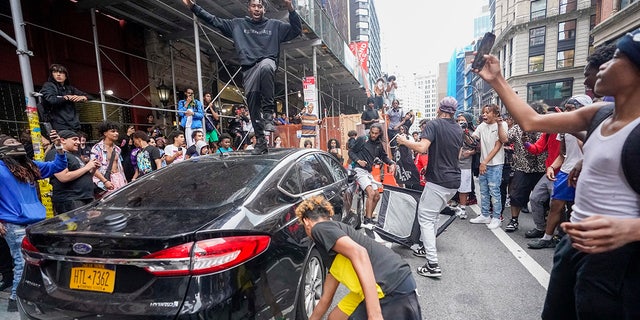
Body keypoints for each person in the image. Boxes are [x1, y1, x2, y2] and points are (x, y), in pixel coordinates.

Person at [474, 28, 640, 319]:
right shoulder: (599, 113)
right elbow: (531, 120)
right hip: (572, 246)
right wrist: (497, 79)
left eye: (616, 58)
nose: (602, 68)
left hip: (618, 261)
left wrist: (630, 229)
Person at [184, 0, 301, 155]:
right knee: (252, 105)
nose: (257, 9)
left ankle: (267, 114)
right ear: (249, 8)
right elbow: (214, 20)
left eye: (260, 6)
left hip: (267, 62)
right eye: (254, 6)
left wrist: (290, 9)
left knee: (266, 66)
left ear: (264, 9)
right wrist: (194, 7)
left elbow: (296, 30)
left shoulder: (275, 25)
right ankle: (260, 142)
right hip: (249, 69)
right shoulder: (238, 24)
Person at [295, 195, 422, 320]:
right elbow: (325, 300)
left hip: (390, 283)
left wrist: (374, 314)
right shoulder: (334, 248)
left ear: (306, 221)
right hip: (377, 286)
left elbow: (360, 253)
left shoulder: (319, 228)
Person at [0, 131, 67, 312]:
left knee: (40, 261)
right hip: (13, 223)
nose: (16, 145)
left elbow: (57, 166)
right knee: (23, 263)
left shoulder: (29, 166)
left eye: (16, 142)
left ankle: (36, 297)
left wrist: (59, 147)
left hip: (37, 222)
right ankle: (16, 300)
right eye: (10, 143)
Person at [396, 97, 463, 278]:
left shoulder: (434, 124)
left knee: (425, 218)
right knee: (432, 217)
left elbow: (421, 147)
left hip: (439, 181)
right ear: (454, 111)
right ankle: (426, 248)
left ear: (440, 108)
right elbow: (458, 155)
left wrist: (403, 141)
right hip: (454, 181)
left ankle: (432, 264)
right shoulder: (458, 128)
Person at [527, 95, 592, 249]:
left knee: (575, 208)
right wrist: (551, 167)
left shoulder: (593, 127)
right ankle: (547, 237)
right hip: (564, 171)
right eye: (566, 109)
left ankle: (573, 240)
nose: (567, 113)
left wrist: (578, 133)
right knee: (556, 205)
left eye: (571, 109)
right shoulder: (563, 130)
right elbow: (563, 154)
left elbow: (591, 151)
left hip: (584, 174)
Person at [469, 104, 508, 229]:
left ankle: (497, 217)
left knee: (494, 191)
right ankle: (485, 215)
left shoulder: (502, 125)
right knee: (484, 191)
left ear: (496, 114)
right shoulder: (482, 126)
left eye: (487, 112)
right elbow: (473, 139)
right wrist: (465, 133)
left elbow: (501, 142)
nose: (484, 115)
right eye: (483, 112)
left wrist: (484, 162)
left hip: (495, 164)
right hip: (483, 163)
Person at [348, 124, 396, 225]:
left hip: (368, 172)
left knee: (377, 196)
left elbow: (384, 157)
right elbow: (351, 152)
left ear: (379, 134)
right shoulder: (363, 139)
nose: (373, 135)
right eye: (372, 132)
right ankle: (368, 220)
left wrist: (391, 163)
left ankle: (367, 216)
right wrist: (359, 160)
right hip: (359, 169)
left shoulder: (378, 144)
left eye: (375, 133)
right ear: (369, 131)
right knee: (371, 193)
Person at [45, 130, 100, 214]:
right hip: (71, 200)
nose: (78, 142)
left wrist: (93, 169)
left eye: (78, 139)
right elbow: (63, 177)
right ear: (63, 140)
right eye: (74, 139)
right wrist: (87, 167)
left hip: (86, 198)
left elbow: (83, 176)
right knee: (78, 226)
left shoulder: (74, 155)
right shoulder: (55, 154)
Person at [40, 64, 89, 131]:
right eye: (55, 72)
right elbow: (51, 99)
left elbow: (89, 96)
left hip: (73, 124)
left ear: (66, 76)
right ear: (52, 75)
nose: (58, 74)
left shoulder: (70, 88)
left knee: (78, 140)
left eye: (61, 72)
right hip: (58, 124)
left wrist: (83, 97)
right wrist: (65, 98)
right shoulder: (49, 86)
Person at [91, 121, 127, 195]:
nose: (116, 133)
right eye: (113, 131)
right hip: (106, 181)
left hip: (119, 178)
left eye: (117, 131)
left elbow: (119, 167)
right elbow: (93, 168)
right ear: (105, 133)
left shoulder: (117, 149)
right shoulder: (97, 148)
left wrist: (124, 180)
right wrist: (105, 181)